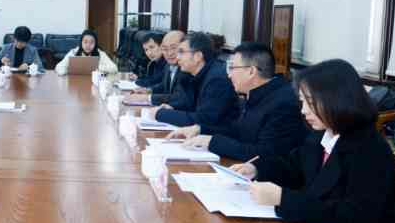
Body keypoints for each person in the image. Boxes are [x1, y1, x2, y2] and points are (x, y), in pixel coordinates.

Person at [231, 59, 395, 223]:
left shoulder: (370, 150)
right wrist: (257, 168)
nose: (303, 111)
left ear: (337, 100)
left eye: (311, 103)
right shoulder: (322, 135)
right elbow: (293, 168)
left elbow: (355, 218)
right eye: (302, 102)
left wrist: (283, 199)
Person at [171, 42, 308, 161]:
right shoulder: (257, 93)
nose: (229, 75)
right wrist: (200, 129)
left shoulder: (283, 103)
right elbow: (238, 130)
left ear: (251, 71)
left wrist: (212, 142)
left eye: (232, 68)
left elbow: (265, 153)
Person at [155, 32, 238, 131]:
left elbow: (204, 119)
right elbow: (188, 104)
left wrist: (161, 114)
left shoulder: (217, 79)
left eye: (181, 52)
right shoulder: (191, 74)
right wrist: (172, 107)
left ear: (198, 56)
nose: (177, 57)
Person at [129, 30, 188, 105]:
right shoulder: (168, 65)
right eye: (165, 49)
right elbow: (164, 85)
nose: (169, 53)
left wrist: (148, 98)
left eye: (173, 48)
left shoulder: (187, 69)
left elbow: (179, 98)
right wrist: (149, 90)